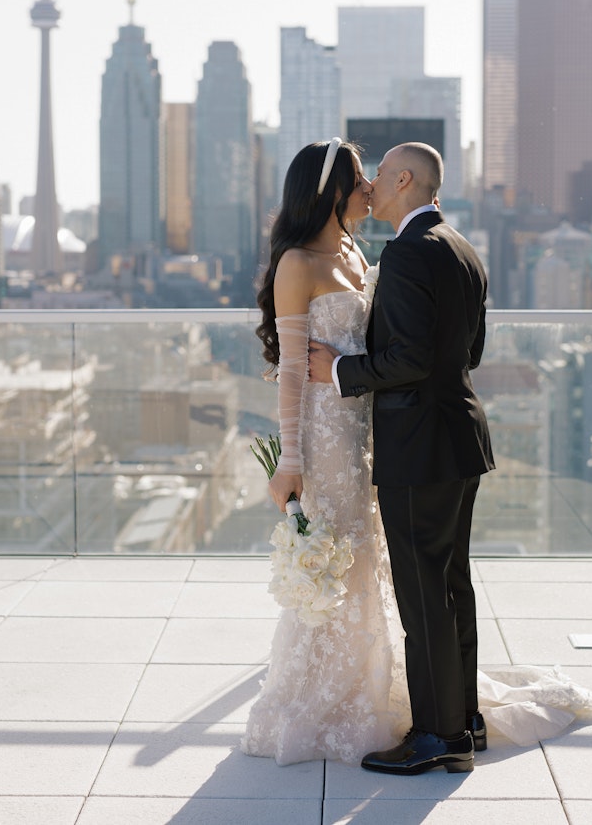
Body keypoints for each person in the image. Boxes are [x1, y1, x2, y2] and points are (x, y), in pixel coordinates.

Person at [308, 141, 493, 776]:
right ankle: (464, 718)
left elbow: (411, 358)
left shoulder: (411, 252)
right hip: (460, 438)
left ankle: (437, 738)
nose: (371, 187)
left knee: (422, 597)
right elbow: (467, 352)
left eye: (379, 177)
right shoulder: (461, 248)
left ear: (405, 179)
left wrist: (341, 370)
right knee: (451, 587)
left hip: (419, 448)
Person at [241, 138, 410, 766]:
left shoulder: (353, 251)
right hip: (324, 438)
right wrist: (290, 461)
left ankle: (365, 688)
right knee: (332, 558)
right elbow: (290, 370)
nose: (371, 187)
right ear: (333, 190)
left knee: (363, 554)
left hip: (365, 428)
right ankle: (318, 700)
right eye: (362, 177)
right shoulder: (298, 264)